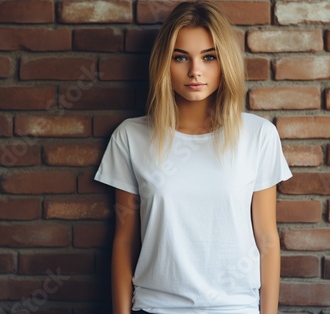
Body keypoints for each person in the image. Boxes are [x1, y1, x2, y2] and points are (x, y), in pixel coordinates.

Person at [94, 1, 292, 313]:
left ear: (224, 61)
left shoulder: (259, 136)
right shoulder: (131, 137)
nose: (195, 71)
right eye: (181, 57)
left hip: (235, 307)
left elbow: (267, 238)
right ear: (164, 63)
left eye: (209, 57)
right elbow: (124, 241)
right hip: (156, 306)